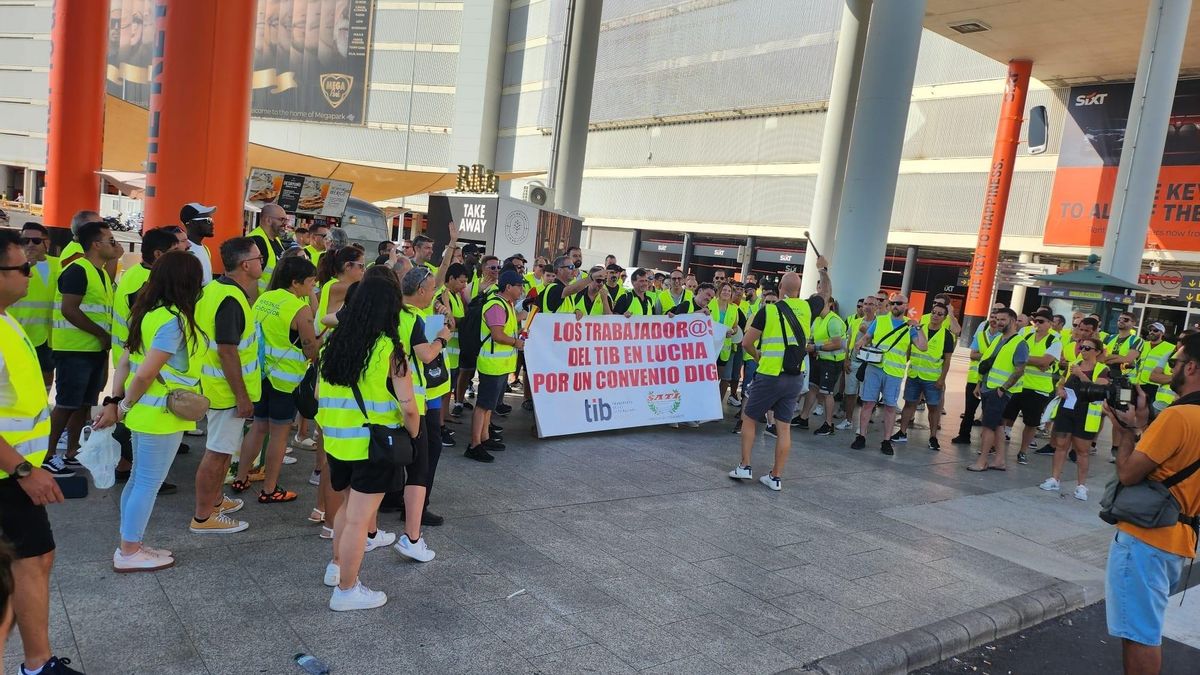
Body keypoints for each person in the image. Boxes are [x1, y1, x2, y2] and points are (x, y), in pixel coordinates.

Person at [316, 273, 428, 612]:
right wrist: (413, 432)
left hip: (337, 442)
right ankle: (347, 591)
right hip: (372, 446)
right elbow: (408, 406)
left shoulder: (334, 343)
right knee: (358, 520)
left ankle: (337, 567)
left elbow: (320, 393)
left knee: (348, 510)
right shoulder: (389, 351)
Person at [0, 230, 82, 675]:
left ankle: (37, 662)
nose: (32, 273)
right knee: (30, 562)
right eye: (22, 268)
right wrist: (23, 470)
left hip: (12, 474)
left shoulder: (5, 319)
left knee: (35, 560)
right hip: (8, 475)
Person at [94, 251, 206, 572]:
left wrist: (118, 404)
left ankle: (131, 543)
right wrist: (122, 405)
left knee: (138, 480)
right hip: (161, 416)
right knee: (147, 482)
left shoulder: (146, 312)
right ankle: (129, 552)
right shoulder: (174, 320)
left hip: (144, 414)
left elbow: (126, 364)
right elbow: (144, 373)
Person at [1103, 332, 1200, 674]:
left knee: (1140, 635)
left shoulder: (1178, 416)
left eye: (1174, 362)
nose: (1170, 368)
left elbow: (1129, 473)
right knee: (1143, 627)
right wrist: (1145, 424)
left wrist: (1127, 431)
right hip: (1179, 537)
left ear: (1190, 367)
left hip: (1147, 539)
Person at [729, 262, 829, 491]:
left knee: (750, 418)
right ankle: (775, 476)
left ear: (781, 287)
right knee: (784, 427)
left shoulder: (769, 310)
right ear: (800, 288)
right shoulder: (807, 308)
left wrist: (757, 357)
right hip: (794, 377)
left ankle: (745, 466)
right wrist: (823, 270)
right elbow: (824, 293)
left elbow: (746, 342)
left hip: (769, 374)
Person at [231, 257, 320, 503]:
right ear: (296, 282)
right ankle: (270, 489)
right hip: (286, 380)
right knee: (279, 435)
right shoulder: (298, 308)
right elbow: (310, 348)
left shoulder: (264, 298)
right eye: (310, 282)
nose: (312, 286)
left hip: (261, 375)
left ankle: (240, 476)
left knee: (258, 427)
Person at [190, 239, 263, 535]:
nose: (263, 263)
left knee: (221, 451)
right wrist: (242, 397)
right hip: (225, 392)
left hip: (217, 388)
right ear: (245, 265)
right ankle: (204, 516)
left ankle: (216, 501)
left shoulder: (215, 290)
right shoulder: (231, 299)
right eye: (259, 258)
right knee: (218, 453)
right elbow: (227, 351)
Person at [45, 220, 122, 478]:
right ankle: (48, 455)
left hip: (92, 350)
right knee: (66, 403)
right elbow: (69, 309)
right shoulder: (78, 270)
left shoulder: (98, 271)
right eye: (110, 240)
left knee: (84, 403)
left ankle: (72, 451)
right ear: (95, 244)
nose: (115, 245)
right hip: (75, 350)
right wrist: (101, 334)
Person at [399, 266, 453, 519]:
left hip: (411, 394)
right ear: (420, 290)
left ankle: (395, 498)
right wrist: (442, 338)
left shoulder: (398, 312)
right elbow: (426, 354)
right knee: (427, 452)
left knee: (408, 449)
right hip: (418, 396)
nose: (434, 295)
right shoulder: (413, 318)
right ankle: (417, 509)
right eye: (432, 290)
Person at [851, 293, 928, 456]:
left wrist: (919, 328)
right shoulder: (881, 320)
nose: (895, 306)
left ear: (906, 306)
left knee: (890, 407)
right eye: (892, 303)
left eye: (899, 303)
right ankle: (861, 436)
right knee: (867, 404)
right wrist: (860, 343)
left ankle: (886, 441)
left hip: (894, 372)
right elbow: (867, 336)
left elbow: (922, 347)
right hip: (874, 368)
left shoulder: (910, 326)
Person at [1035, 336, 1108, 497]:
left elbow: (1099, 390)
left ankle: (1081, 486)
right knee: (1061, 446)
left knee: (1082, 451)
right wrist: (1060, 390)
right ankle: (1055, 478)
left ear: (1097, 352)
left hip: (1086, 413)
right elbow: (1061, 382)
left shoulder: (1102, 369)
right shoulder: (1073, 365)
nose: (1083, 350)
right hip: (1067, 410)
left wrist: (1081, 374)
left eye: (1088, 348)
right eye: (1082, 347)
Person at [466, 271, 525, 462]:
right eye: (519, 286)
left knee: (489, 406)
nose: (521, 289)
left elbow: (505, 328)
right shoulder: (496, 305)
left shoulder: (505, 304)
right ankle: (474, 445)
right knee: (483, 405)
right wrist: (516, 342)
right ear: (508, 287)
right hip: (491, 364)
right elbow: (498, 335)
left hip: (499, 365)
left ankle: (484, 438)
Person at [967, 308, 1028, 471]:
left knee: (987, 427)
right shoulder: (999, 339)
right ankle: (1000, 460)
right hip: (989, 389)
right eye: (997, 319)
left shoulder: (1019, 343)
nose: (998, 322)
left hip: (998, 392)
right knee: (998, 425)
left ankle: (982, 461)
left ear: (1013, 321)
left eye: (1003, 320)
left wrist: (1003, 389)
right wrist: (980, 384)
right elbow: (988, 363)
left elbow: (1019, 369)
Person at [1000, 309, 1061, 465]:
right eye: (1035, 321)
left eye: (1041, 321)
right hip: (1018, 384)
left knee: (1031, 423)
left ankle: (1023, 451)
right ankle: (997, 446)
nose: (1037, 324)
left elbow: (1045, 362)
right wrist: (1035, 361)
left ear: (1050, 323)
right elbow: (1013, 354)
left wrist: (1025, 359)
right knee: (1005, 417)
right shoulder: (1025, 335)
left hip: (1038, 388)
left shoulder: (1054, 340)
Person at [892, 302, 956, 450]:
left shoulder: (947, 335)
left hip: (932, 379)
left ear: (944, 317)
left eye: (939, 314)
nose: (935, 316)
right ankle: (902, 432)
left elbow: (947, 360)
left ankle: (933, 437)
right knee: (909, 404)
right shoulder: (919, 329)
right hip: (914, 374)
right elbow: (908, 349)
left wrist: (942, 379)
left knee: (933, 408)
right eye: (933, 312)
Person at [10, 223, 59, 388]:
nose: (30, 244)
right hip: (20, 331)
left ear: (47, 243)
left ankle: (43, 404)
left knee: (46, 372)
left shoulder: (59, 265)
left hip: (50, 335)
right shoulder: (12, 266)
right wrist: (25, 266)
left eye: (36, 240)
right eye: (25, 240)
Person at [952, 303, 1006, 445]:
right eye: (992, 315)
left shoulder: (1004, 337)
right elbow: (972, 354)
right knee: (969, 409)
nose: (994, 319)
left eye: (997, 316)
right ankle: (963, 435)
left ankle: (988, 442)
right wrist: (990, 357)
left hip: (993, 381)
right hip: (974, 377)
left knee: (989, 413)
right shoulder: (982, 332)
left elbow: (1000, 357)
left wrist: (984, 356)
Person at [796, 294, 845, 436]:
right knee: (812, 387)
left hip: (831, 361)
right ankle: (803, 417)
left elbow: (837, 344)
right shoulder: (818, 319)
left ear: (830, 303)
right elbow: (815, 338)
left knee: (827, 392)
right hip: (819, 359)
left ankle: (829, 425)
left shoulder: (834, 321)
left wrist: (815, 348)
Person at [839, 296, 877, 432]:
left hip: (869, 364)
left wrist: (865, 332)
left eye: (870, 304)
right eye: (865, 304)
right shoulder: (855, 322)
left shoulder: (878, 323)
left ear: (876, 307)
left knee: (867, 397)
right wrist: (846, 359)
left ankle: (862, 426)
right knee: (850, 393)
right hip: (853, 362)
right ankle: (848, 420)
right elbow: (848, 342)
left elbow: (878, 344)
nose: (866, 307)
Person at [248, 203, 287, 294]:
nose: (285, 224)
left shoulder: (276, 239)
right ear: (268, 220)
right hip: (260, 302)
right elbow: (250, 278)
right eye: (282, 219)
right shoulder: (257, 241)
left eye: (286, 220)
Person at [1135, 322, 1174, 406]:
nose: (1151, 332)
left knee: (1150, 410)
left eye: (1155, 330)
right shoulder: (1143, 344)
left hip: (1155, 384)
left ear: (1162, 333)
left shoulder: (1170, 347)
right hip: (1139, 383)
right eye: (1150, 330)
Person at [180, 202, 215, 285]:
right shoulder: (184, 251)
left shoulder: (205, 249)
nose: (212, 223)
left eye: (212, 220)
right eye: (208, 220)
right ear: (192, 223)